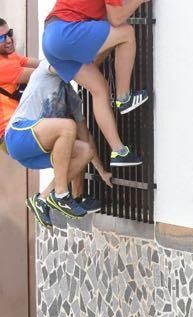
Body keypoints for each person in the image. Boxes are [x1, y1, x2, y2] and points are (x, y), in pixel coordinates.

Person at [42, 0, 150, 167]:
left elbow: (107, 15)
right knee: (126, 33)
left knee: (100, 90)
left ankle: (119, 152)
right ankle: (124, 97)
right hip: (66, 31)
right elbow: (116, 18)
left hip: (51, 38)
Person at [6, 61, 113, 221]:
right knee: (67, 126)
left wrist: (102, 171)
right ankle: (61, 194)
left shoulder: (72, 99)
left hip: (36, 154)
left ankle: (42, 198)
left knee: (85, 151)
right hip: (18, 136)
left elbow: (86, 137)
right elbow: (61, 62)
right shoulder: (46, 69)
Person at [0, 18, 38, 154]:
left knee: (75, 152)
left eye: (9, 33)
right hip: (11, 133)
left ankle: (102, 173)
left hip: (22, 125)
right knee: (66, 129)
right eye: (1, 38)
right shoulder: (2, 65)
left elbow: (41, 64)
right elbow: (39, 75)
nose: (9, 40)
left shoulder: (10, 57)